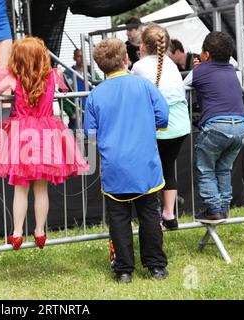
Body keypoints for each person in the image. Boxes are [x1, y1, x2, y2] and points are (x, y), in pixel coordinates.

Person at [0, 37, 89, 250]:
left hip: (21, 137)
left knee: (20, 189)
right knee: (41, 189)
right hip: (47, 135)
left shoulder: (12, 79)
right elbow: (63, 92)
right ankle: (40, 232)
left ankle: (17, 233)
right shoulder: (53, 76)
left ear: (18, 58)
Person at [83, 38, 169, 283]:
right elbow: (163, 117)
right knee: (149, 215)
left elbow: (88, 135)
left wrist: (87, 164)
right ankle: (156, 267)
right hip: (145, 164)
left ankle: (123, 271)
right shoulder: (144, 86)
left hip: (115, 168)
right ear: (126, 59)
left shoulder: (95, 95)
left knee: (119, 220)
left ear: (101, 67)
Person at [184, 31, 244, 223]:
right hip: (241, 126)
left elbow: (182, 90)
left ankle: (214, 207)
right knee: (224, 168)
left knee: (204, 167)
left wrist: (198, 69)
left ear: (206, 55)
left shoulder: (198, 72)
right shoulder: (232, 69)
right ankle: (223, 206)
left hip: (216, 125)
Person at [132, 23, 190, 230]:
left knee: (151, 171)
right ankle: (169, 213)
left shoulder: (138, 66)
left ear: (143, 46)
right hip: (181, 124)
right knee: (167, 167)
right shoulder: (171, 64)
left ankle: (152, 217)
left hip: (159, 126)